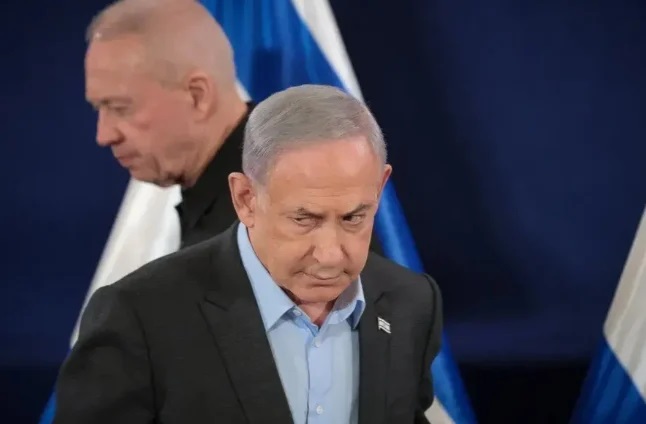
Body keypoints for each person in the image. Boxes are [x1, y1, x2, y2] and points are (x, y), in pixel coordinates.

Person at [53, 84, 443, 424]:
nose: (329, 255)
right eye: (304, 219)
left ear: (380, 186)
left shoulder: (411, 305)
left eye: (354, 217)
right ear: (245, 199)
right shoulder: (138, 318)